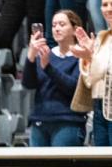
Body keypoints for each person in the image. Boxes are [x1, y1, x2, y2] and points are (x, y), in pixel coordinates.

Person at [24, 10, 87, 146]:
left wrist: (48, 67)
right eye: (53, 25)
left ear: (75, 29)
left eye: (62, 24)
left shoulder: (81, 56)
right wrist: (30, 56)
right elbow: (29, 84)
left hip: (68, 122)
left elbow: (73, 88)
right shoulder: (46, 54)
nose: (57, 28)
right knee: (38, 166)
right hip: (40, 121)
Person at [71, 0, 112, 144]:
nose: (108, 9)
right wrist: (88, 58)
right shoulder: (102, 37)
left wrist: (90, 56)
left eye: (111, 4)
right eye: (104, 4)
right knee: (102, 163)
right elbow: (91, 80)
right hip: (99, 105)